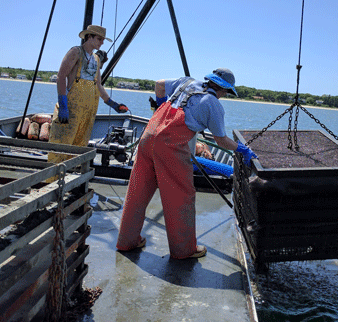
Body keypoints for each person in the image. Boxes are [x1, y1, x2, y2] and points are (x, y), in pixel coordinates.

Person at [116, 68, 257, 259]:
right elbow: (222, 141)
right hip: (170, 146)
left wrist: (159, 106)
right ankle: (184, 250)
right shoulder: (213, 104)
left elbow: (159, 84)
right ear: (223, 89)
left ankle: (127, 241)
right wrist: (243, 149)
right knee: (180, 195)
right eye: (227, 92)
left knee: (137, 191)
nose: (224, 95)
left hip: (148, 136)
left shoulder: (186, 82)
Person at [47, 25, 128, 163]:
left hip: (88, 111)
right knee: (62, 145)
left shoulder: (96, 59)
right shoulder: (75, 52)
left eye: (103, 39)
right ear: (89, 37)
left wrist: (112, 104)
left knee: (79, 146)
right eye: (99, 39)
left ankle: (72, 179)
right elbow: (61, 77)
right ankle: (52, 179)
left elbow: (98, 85)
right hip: (71, 109)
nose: (102, 42)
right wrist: (63, 104)